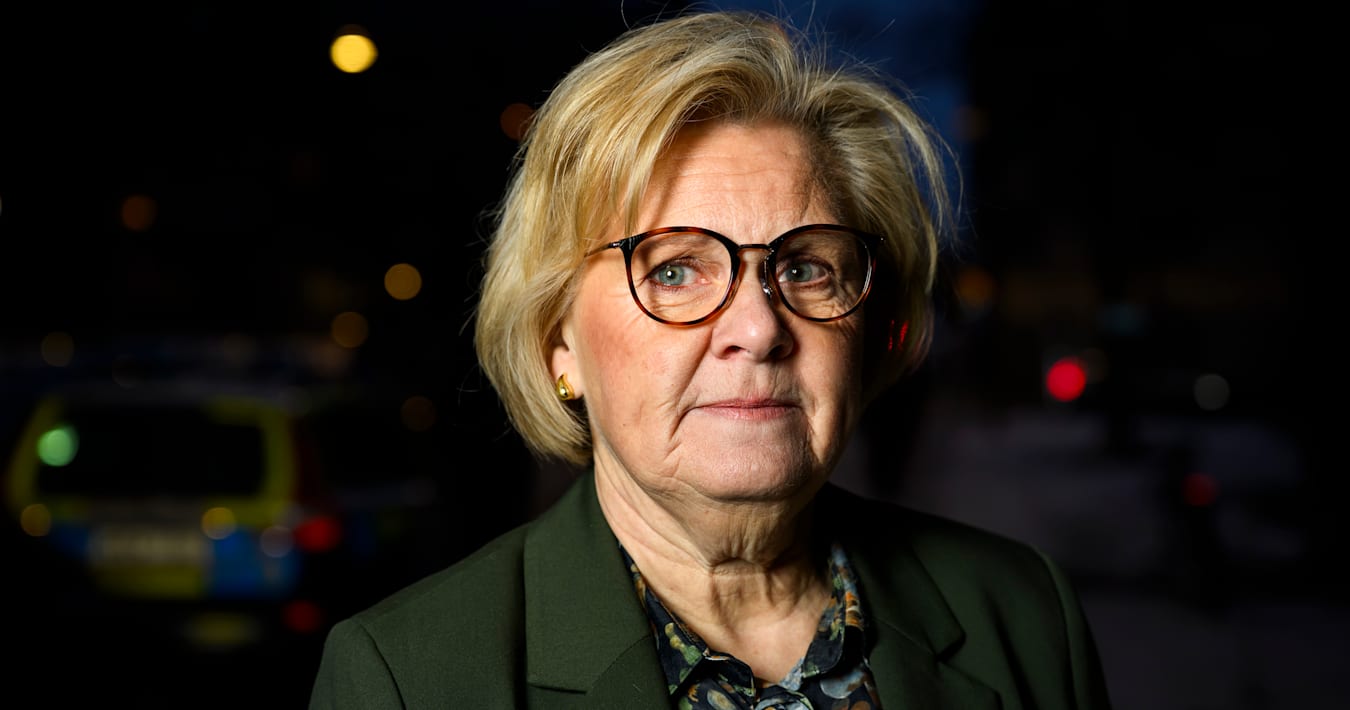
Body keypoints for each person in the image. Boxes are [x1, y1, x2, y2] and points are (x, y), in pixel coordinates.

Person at [308, 8, 1113, 709]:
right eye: (674, 270)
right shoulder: (408, 678)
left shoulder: (1022, 613)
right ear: (560, 344)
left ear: (867, 327)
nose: (758, 329)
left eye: (806, 267)